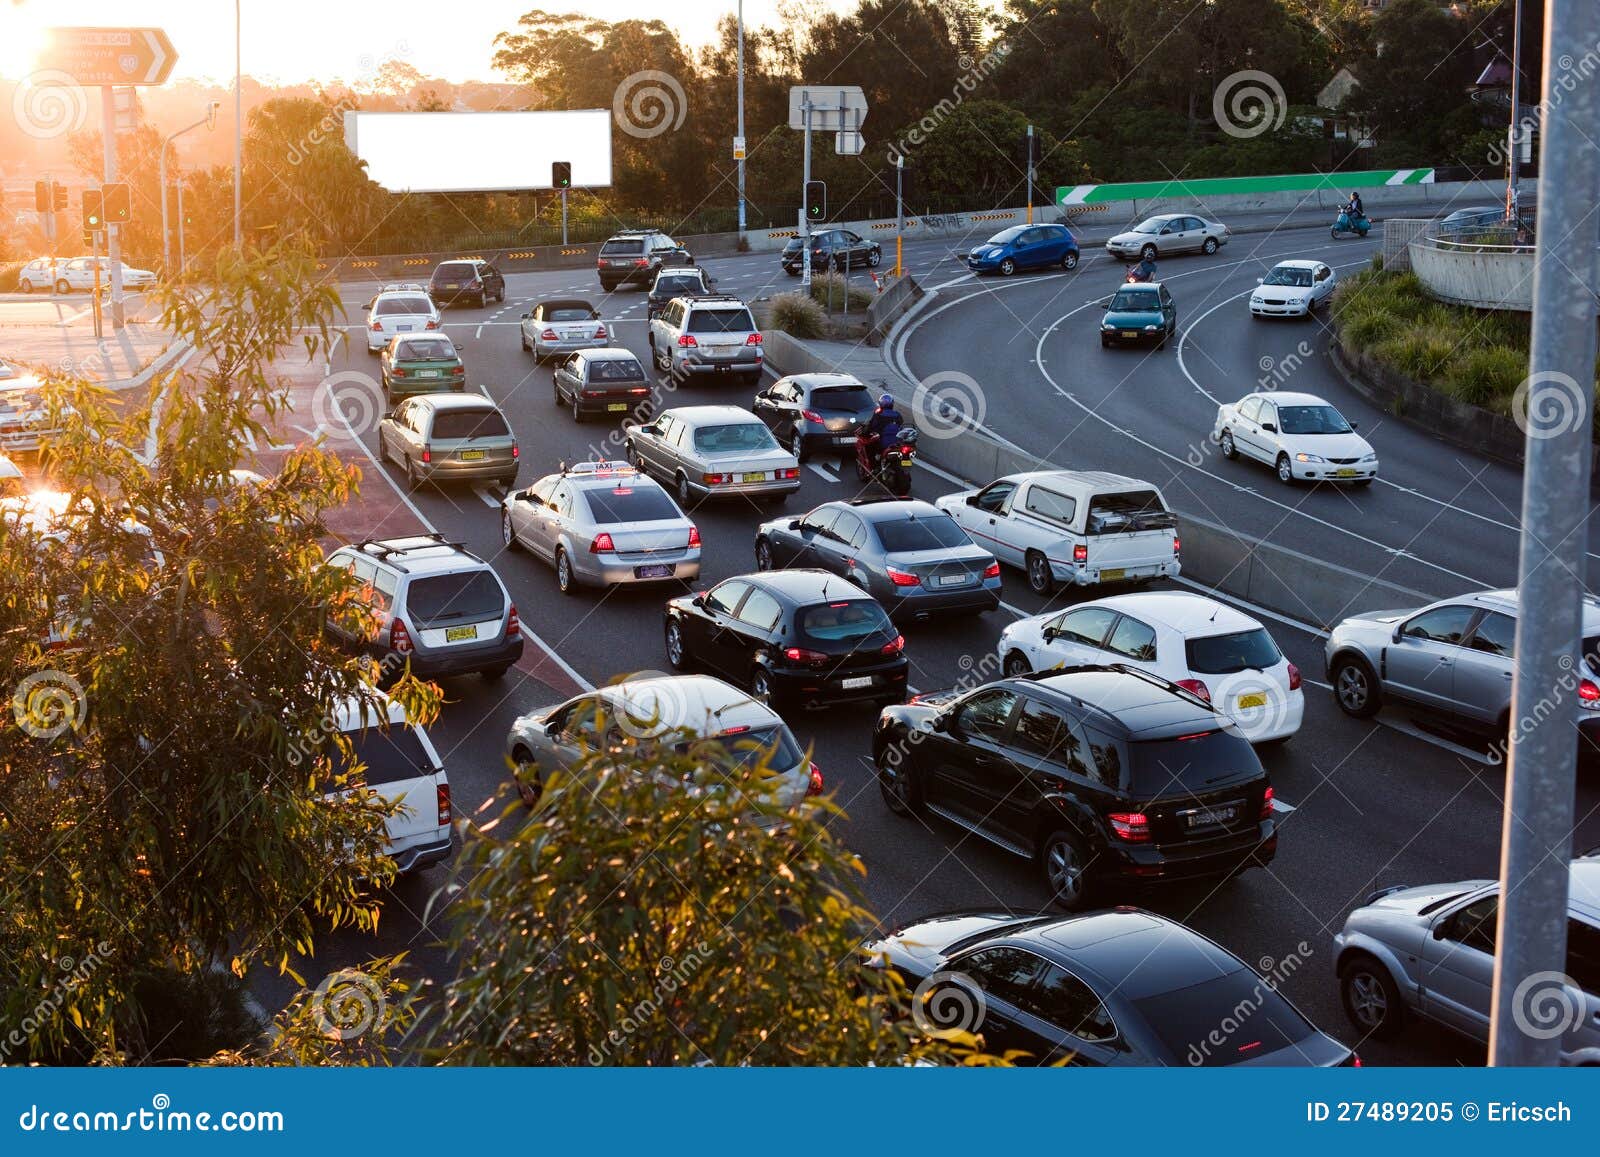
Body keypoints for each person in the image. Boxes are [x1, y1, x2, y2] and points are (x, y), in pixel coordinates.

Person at [863, 393, 903, 467]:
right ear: (892, 404)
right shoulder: (897, 415)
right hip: (897, 443)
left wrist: (866, 433)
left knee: (868, 448)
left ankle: (873, 467)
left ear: (881, 403)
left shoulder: (878, 415)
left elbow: (871, 427)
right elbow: (901, 425)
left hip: (883, 443)